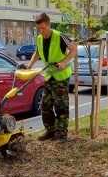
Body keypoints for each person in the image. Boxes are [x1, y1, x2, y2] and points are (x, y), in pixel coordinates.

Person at [26, 13, 77, 142]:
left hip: (61, 76)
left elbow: (74, 49)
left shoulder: (60, 36)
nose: (41, 31)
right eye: (39, 29)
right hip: (49, 76)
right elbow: (37, 53)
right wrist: (29, 66)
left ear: (49, 25)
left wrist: (64, 62)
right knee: (45, 105)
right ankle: (51, 131)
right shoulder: (39, 38)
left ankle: (61, 135)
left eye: (43, 28)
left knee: (61, 107)